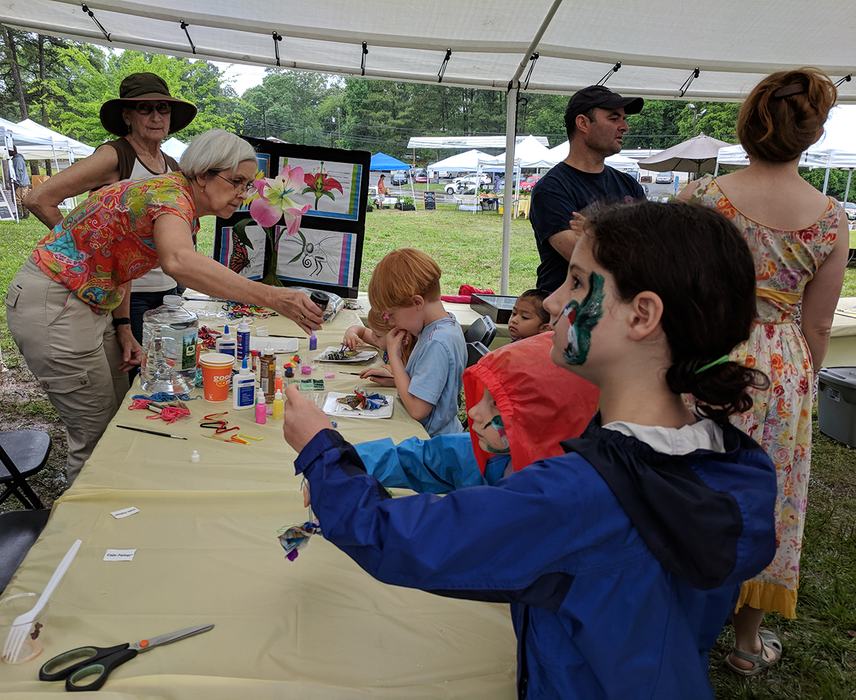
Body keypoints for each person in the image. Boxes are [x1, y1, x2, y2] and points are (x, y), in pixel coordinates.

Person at [281, 200, 778, 698]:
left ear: (642, 315)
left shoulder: (584, 496)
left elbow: (401, 540)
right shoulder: (727, 460)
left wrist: (323, 452)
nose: (555, 303)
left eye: (577, 282)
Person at [6, 128, 323, 483]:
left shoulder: (174, 196)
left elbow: (122, 258)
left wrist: (123, 326)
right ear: (202, 175)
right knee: (96, 438)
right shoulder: (170, 197)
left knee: (118, 419)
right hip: (57, 302)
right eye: (236, 181)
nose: (243, 194)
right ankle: (87, 512)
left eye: (248, 185)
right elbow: (178, 261)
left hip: (85, 303)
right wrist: (273, 297)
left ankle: (117, 495)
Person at [679, 67, 849, 676]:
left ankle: (677, 618)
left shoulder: (701, 199)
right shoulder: (831, 218)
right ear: (813, 133)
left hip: (707, 352)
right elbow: (820, 325)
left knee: (690, 480)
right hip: (783, 366)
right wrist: (800, 383)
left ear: (748, 123)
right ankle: (747, 642)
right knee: (771, 495)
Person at [25, 72, 198, 348]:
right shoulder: (116, 156)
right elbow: (39, 198)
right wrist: (81, 246)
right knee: (141, 370)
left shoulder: (171, 166)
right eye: (145, 108)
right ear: (127, 116)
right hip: (130, 297)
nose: (156, 117)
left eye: (163, 108)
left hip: (169, 291)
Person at [353, 331, 599, 492]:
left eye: (496, 403)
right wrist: (338, 459)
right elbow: (415, 459)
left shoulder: (559, 505)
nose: (472, 413)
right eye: (483, 398)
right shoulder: (479, 453)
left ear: (542, 420)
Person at [530, 85, 646, 293]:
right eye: (614, 118)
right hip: (568, 309)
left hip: (620, 306)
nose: (624, 127)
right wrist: (628, 241)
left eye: (624, 119)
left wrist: (595, 232)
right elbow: (585, 260)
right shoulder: (551, 189)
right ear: (583, 123)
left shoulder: (628, 184)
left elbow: (653, 253)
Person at [361, 248, 466, 437]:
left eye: (391, 315)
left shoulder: (437, 343)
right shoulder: (445, 326)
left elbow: (418, 409)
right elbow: (433, 386)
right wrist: (397, 379)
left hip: (431, 442)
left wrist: (394, 356)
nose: (390, 323)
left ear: (417, 303)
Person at [9, 145, 30, 219]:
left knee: (18, 199)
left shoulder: (17, 160)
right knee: (23, 199)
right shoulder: (19, 158)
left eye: (9, 151)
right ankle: (25, 214)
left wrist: (17, 183)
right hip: (23, 182)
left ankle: (20, 215)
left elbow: (18, 172)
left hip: (21, 183)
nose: (8, 152)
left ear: (13, 151)